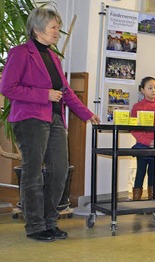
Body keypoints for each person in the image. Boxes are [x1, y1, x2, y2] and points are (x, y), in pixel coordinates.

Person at [0, 5, 100, 242]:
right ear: (37, 28)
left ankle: (49, 221)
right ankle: (35, 226)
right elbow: (7, 88)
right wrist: (43, 95)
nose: (57, 32)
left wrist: (86, 114)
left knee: (59, 171)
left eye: (58, 28)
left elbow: (64, 91)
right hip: (30, 119)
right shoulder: (20, 53)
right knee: (33, 174)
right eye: (54, 27)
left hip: (55, 119)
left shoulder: (53, 56)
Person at [130, 77, 155, 201]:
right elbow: (133, 128)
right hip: (143, 145)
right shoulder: (137, 107)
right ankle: (136, 199)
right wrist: (146, 141)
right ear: (142, 90)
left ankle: (152, 199)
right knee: (140, 171)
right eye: (150, 88)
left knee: (153, 173)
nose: (154, 90)